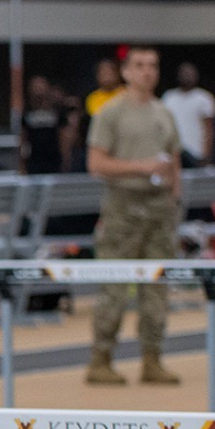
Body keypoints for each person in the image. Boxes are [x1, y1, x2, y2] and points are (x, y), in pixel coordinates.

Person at [85, 46, 183, 386]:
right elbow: (96, 164)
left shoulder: (163, 112)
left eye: (153, 66)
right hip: (123, 207)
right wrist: (140, 167)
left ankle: (152, 358)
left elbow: (173, 159)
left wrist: (174, 195)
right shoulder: (110, 113)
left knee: (156, 285)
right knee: (115, 284)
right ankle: (101, 358)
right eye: (139, 66)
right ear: (126, 71)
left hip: (159, 209)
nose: (147, 72)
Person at [161, 61, 215, 166]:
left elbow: (209, 129)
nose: (187, 76)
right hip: (174, 154)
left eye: (190, 74)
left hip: (197, 154)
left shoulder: (204, 98)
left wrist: (207, 155)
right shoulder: (169, 97)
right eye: (184, 73)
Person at [21, 75, 66, 175]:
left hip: (54, 161)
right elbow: (23, 139)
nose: (38, 89)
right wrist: (22, 165)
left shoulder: (57, 112)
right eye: (35, 86)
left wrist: (65, 160)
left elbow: (63, 138)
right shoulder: (27, 113)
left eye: (41, 85)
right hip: (34, 162)